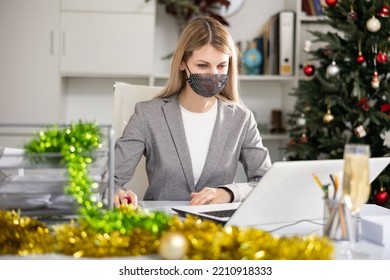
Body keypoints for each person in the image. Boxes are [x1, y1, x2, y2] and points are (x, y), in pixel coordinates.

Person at [114, 16, 272, 208]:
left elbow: (266, 182)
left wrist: (228, 193)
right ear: (182, 63)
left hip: (215, 228)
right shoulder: (148, 114)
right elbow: (110, 180)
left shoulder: (241, 119)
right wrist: (119, 195)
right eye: (203, 65)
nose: (213, 74)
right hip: (162, 226)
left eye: (221, 65)